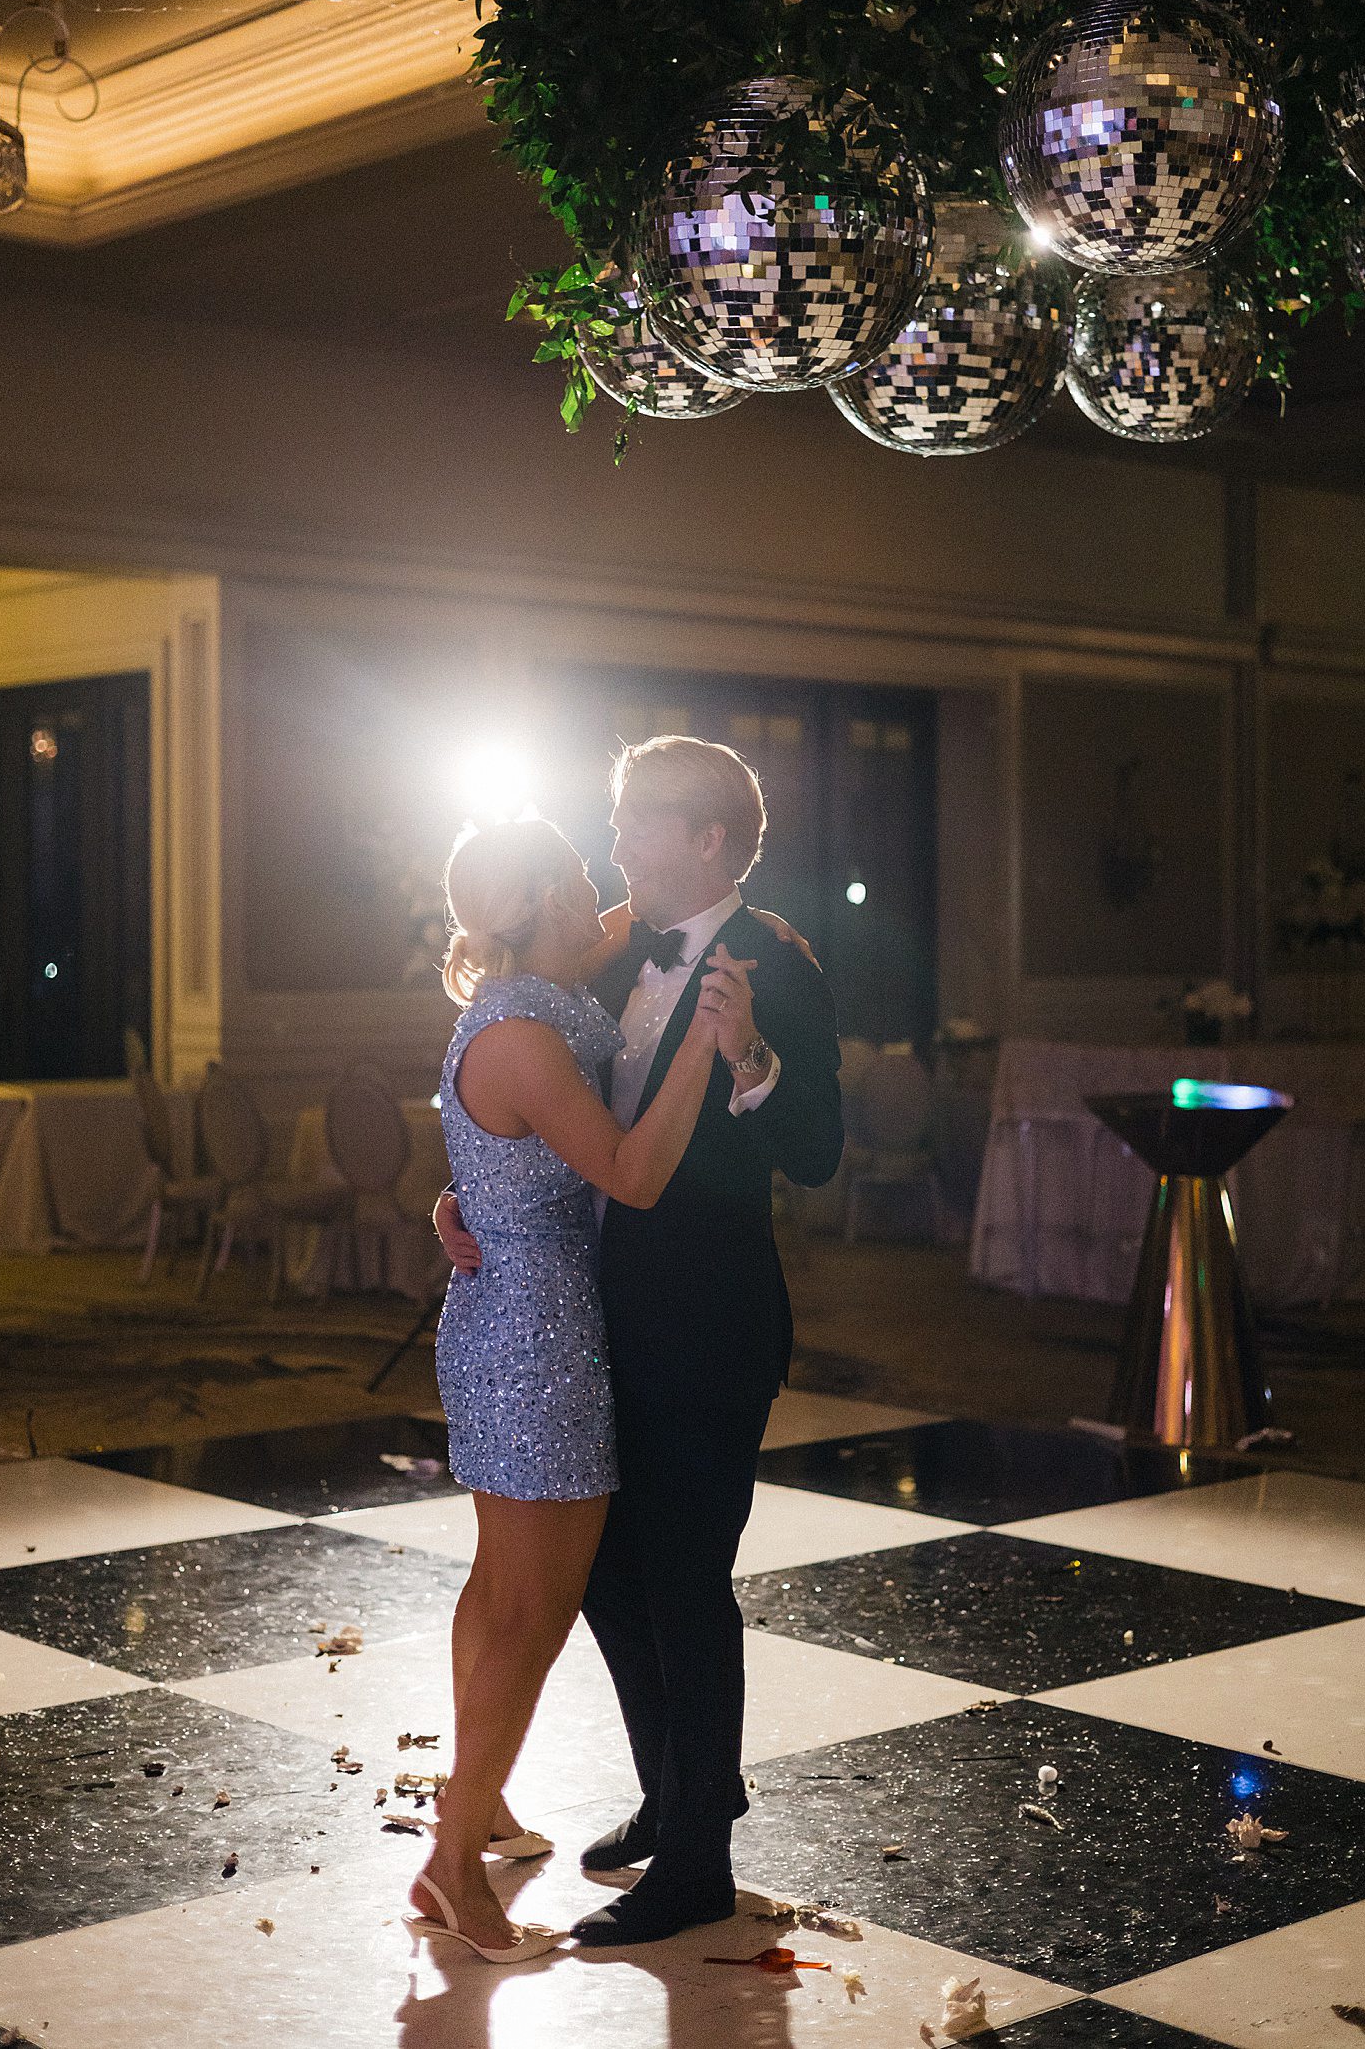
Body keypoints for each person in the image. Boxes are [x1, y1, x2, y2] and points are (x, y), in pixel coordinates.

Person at [438, 736, 843, 1947]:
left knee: (683, 1579)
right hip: (594, 1317)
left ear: (710, 839)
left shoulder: (776, 958)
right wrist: (474, 1197)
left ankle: (700, 1865)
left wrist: (752, 1060)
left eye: (639, 822)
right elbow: (522, 1076)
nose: (615, 843)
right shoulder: (612, 947)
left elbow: (817, 1150)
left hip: (709, 1322)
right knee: (609, 1573)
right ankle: (678, 1792)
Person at [407, 814, 760, 1964]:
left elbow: (648, 912)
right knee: (532, 1610)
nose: (601, 893)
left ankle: (482, 1805)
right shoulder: (520, 1033)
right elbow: (631, 1172)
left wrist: (725, 892)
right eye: (575, 880)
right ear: (538, 908)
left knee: (497, 1587)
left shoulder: (536, 984)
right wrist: (708, 1043)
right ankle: (453, 1865)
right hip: (538, 1338)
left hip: (515, 1314)